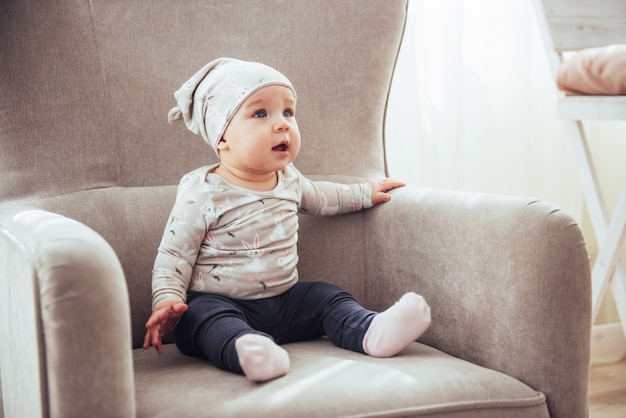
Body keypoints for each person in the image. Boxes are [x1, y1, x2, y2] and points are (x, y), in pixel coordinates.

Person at [143, 58, 431, 382]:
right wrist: (167, 300)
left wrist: (366, 192)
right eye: (261, 113)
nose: (282, 124)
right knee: (202, 317)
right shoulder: (203, 190)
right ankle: (249, 351)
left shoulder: (289, 178)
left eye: (288, 113)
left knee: (326, 296)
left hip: (286, 302)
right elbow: (174, 254)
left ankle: (371, 331)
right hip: (222, 302)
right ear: (222, 136)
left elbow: (323, 198)